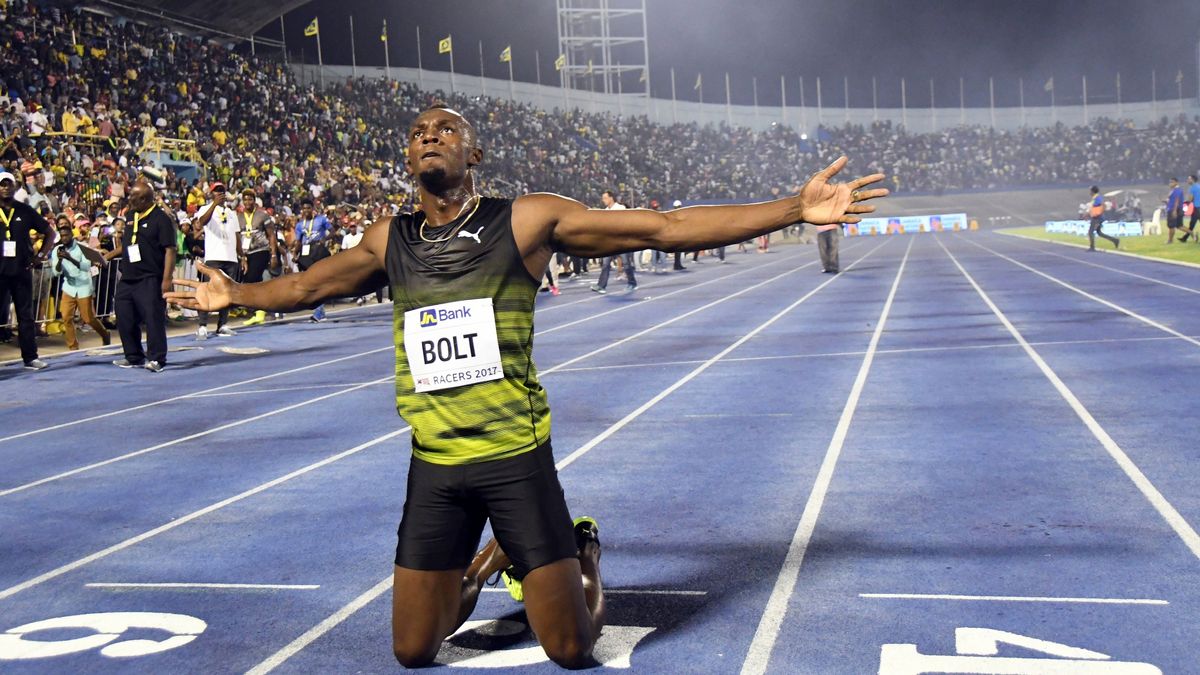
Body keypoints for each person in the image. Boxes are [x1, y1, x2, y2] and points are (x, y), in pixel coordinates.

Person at [166, 105, 886, 669]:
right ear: (407, 156)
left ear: (473, 153)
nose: (430, 136)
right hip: (437, 465)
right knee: (414, 649)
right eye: (418, 131)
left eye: (447, 129)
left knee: (571, 650)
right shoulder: (391, 240)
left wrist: (792, 208)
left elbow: (663, 228)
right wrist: (237, 292)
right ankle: (487, 558)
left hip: (515, 455)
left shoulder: (528, 219)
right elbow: (310, 283)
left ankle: (584, 551)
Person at [104, 177, 176, 373]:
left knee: (153, 319)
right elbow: (127, 245)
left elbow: (170, 249)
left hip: (150, 277)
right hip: (128, 277)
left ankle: (157, 358)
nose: (129, 199)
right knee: (124, 316)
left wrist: (167, 279)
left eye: (133, 197)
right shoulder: (130, 216)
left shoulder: (161, 219)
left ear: (145, 199)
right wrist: (108, 256)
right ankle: (133, 355)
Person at [0, 170, 55, 370]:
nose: (5, 187)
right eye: (2, 184)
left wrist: (40, 256)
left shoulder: (24, 210)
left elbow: (50, 232)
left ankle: (30, 357)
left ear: (15, 187)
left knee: (25, 316)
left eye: (9, 184)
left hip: (21, 271)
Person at [49, 220, 111, 349]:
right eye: (62, 236)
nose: (64, 238)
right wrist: (60, 260)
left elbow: (86, 266)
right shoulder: (56, 250)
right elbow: (56, 272)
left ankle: (105, 334)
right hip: (69, 287)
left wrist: (70, 258)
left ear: (72, 235)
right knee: (66, 317)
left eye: (66, 235)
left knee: (88, 319)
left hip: (83, 286)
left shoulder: (82, 247)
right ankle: (73, 346)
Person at [192, 182, 242, 338]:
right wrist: (214, 204)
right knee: (208, 291)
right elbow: (201, 223)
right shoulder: (205, 208)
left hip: (230, 257)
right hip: (214, 257)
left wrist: (242, 255)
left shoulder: (232, 213)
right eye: (216, 191)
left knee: (227, 293)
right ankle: (202, 325)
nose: (220, 194)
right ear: (211, 193)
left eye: (222, 191)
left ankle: (223, 324)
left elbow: (236, 235)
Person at [239, 188, 280, 326]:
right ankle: (259, 311)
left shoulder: (263, 215)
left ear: (254, 200)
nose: (247, 202)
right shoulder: (238, 217)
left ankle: (260, 312)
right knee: (251, 281)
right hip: (246, 253)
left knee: (253, 278)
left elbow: (271, 235)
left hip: (261, 250)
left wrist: (273, 254)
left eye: (250, 199)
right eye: (245, 199)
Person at [293, 198, 333, 321]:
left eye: (308, 208)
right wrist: (295, 253)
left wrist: (324, 240)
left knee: (318, 280)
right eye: (304, 208)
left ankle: (319, 312)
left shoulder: (321, 219)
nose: (306, 210)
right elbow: (299, 241)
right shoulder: (300, 225)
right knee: (311, 281)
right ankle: (320, 312)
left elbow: (332, 231)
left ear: (312, 209)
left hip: (318, 250)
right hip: (306, 253)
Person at [590, 190, 637, 294]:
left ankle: (632, 283)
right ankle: (601, 286)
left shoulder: (621, 208)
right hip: (609, 242)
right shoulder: (605, 211)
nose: (603, 200)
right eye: (603, 198)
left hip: (621, 241)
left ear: (611, 198)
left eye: (605, 198)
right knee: (605, 264)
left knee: (626, 263)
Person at [1086, 185, 1119, 251]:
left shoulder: (1097, 197)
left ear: (1093, 191)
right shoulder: (1095, 198)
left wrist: (1099, 213)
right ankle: (1115, 240)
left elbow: (1103, 205)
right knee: (1099, 233)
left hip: (1097, 218)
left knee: (1090, 232)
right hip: (1096, 217)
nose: (1089, 192)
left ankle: (1092, 247)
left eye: (1090, 191)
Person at [1165, 177, 1185, 244]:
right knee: (1179, 226)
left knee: (1171, 226)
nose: (1170, 183)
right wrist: (1166, 201)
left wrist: (1174, 210)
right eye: (1170, 182)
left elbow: (1177, 200)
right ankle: (1192, 233)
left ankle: (1170, 240)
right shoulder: (1173, 190)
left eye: (1172, 182)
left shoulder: (1177, 190)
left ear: (1176, 182)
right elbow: (1172, 200)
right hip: (1173, 209)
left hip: (1173, 209)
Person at [1181, 175, 1200, 243]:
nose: (1187, 180)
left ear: (1193, 180)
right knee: (1192, 224)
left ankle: (1185, 238)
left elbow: (1190, 199)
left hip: (1196, 208)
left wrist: (1183, 204)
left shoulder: (1192, 188)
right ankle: (1184, 238)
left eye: (1189, 179)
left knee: (1192, 224)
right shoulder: (1199, 186)